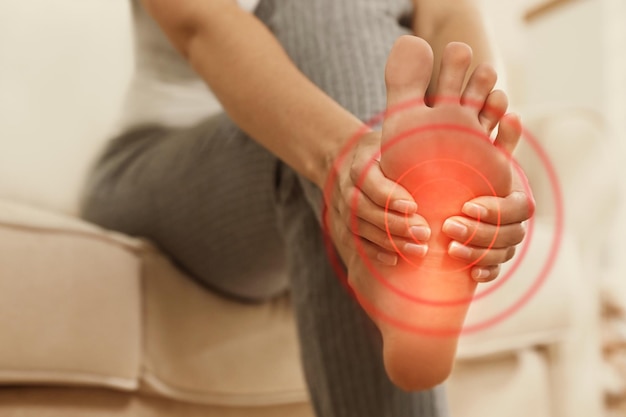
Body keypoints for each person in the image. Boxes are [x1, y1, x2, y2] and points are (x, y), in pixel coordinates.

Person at [80, 0, 534, 416]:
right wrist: (339, 158)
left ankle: (399, 218)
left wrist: (476, 156)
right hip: (157, 170)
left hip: (335, 137)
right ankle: (388, 233)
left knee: (364, 173)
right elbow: (200, 25)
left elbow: (447, 16)